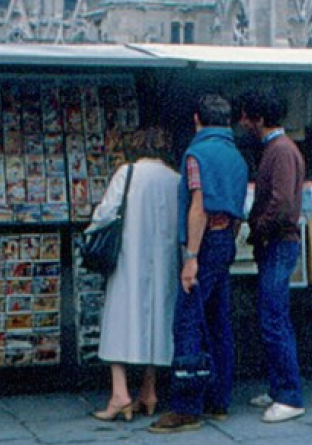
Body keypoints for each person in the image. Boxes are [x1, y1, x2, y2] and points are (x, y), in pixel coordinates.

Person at [149, 94, 248, 434]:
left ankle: (186, 407)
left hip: (204, 242)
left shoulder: (196, 154)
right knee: (219, 321)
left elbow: (198, 207)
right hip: (225, 239)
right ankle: (219, 399)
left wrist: (191, 257)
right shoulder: (236, 155)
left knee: (188, 320)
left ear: (197, 120)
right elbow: (237, 210)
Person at [88, 128, 181, 422]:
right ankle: (149, 391)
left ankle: (119, 394)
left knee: (119, 321)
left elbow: (105, 214)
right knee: (157, 322)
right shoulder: (175, 179)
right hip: (164, 262)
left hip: (129, 257)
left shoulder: (127, 174)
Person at [236, 89, 306, 423]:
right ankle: (280, 387)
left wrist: (258, 227)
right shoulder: (278, 149)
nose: (242, 122)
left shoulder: (279, 151)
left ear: (259, 119)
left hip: (278, 241)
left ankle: (289, 394)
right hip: (275, 241)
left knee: (273, 318)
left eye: (246, 116)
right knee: (275, 316)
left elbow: (281, 202)